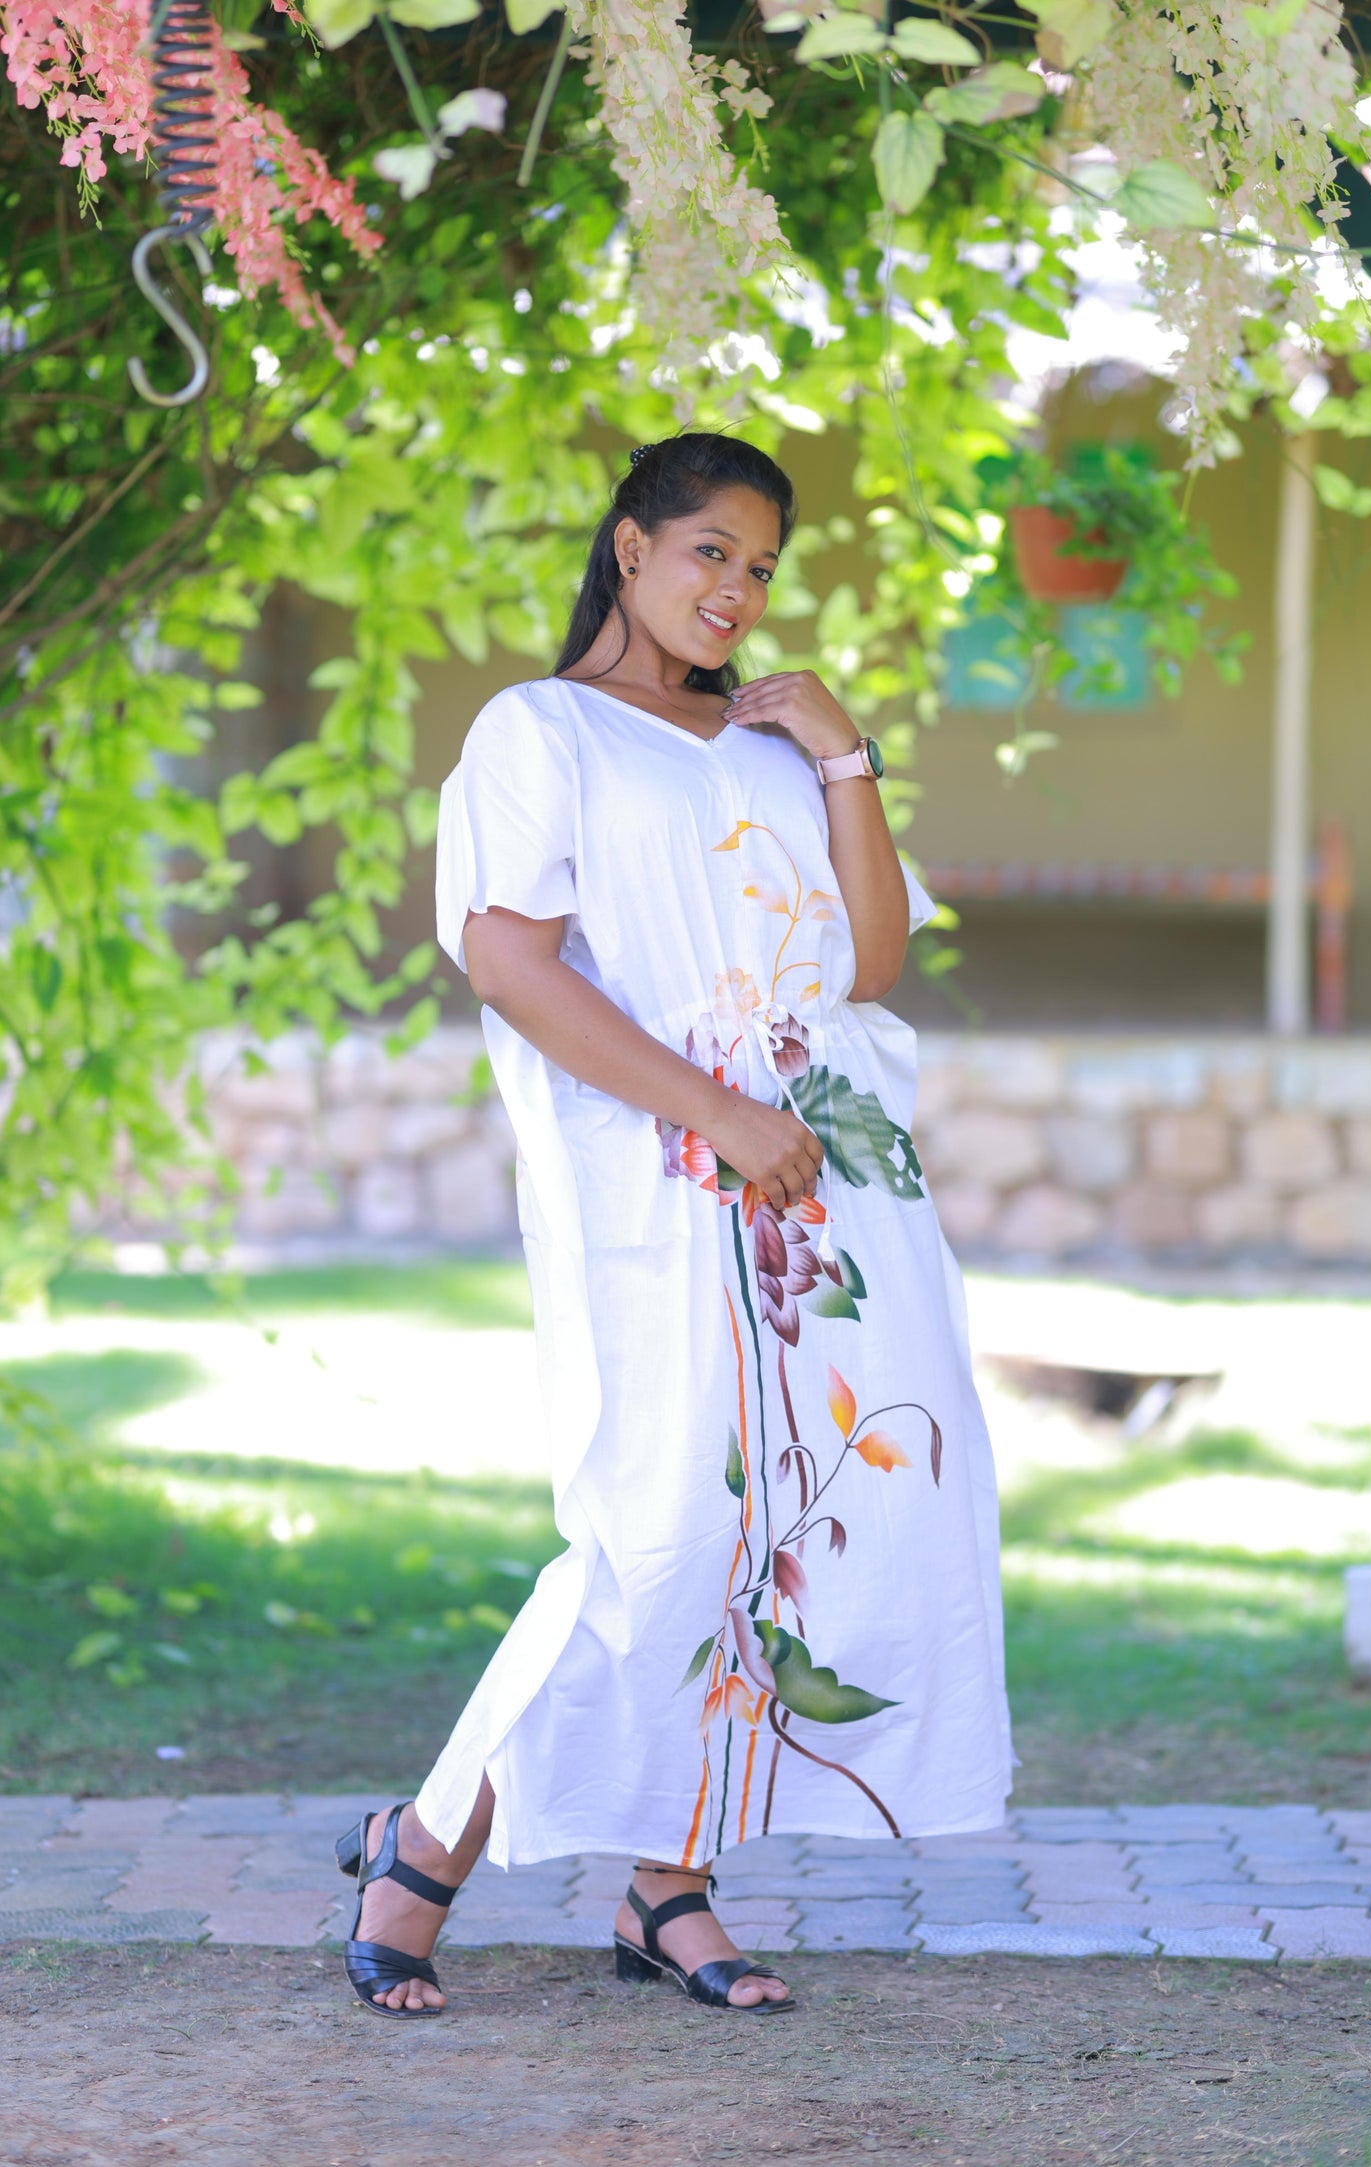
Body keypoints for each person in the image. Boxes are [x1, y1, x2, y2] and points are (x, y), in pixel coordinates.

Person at [336, 431, 1012, 2019]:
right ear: (630, 546)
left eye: (761, 567)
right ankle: (417, 1851)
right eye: (711, 550)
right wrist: (719, 1115)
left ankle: (669, 1889)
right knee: (654, 1534)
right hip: (660, 1171)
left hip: (830, 1181)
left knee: (792, 1529)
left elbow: (867, 963)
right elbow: (510, 963)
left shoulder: (772, 744)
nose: (736, 590)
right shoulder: (540, 730)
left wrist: (845, 759)